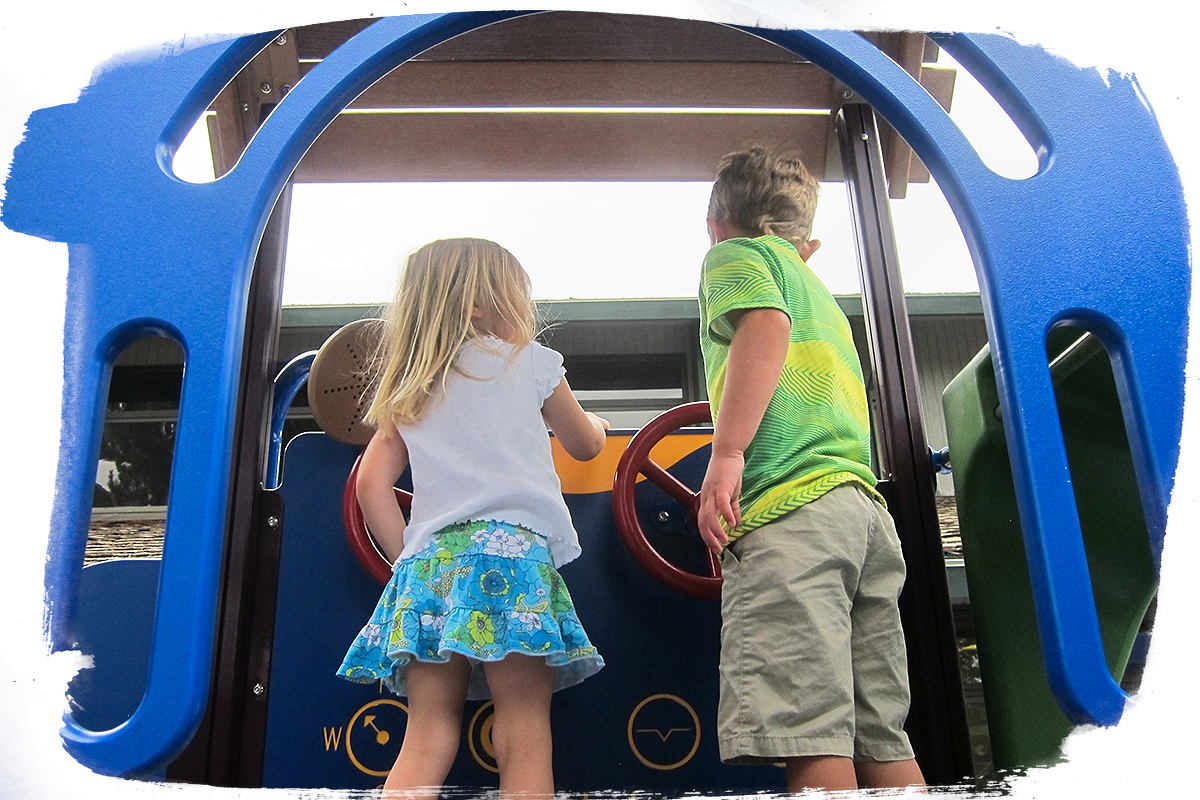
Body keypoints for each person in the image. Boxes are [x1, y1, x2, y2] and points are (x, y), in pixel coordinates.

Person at [336, 237, 609, 799]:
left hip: (431, 568)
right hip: (513, 563)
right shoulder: (532, 364)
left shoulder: (413, 384)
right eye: (519, 295)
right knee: (524, 731)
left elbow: (371, 485)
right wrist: (601, 423)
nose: (527, 310)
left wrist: (405, 563)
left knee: (427, 735)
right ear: (479, 306)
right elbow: (584, 446)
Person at [695, 146, 926, 793]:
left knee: (812, 730)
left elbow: (763, 326)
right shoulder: (821, 295)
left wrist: (728, 452)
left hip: (793, 516)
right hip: (863, 517)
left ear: (716, 226)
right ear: (810, 244)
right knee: (880, 732)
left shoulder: (736, 256)